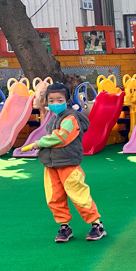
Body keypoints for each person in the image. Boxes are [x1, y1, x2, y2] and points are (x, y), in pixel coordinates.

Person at [20, 82, 105, 243]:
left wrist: (40, 143)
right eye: (51, 101)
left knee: (79, 195)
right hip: (51, 165)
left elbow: (61, 137)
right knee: (54, 197)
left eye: (59, 100)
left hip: (68, 165)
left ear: (67, 101)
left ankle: (96, 224)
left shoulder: (71, 119)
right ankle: (64, 226)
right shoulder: (53, 119)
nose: (55, 104)